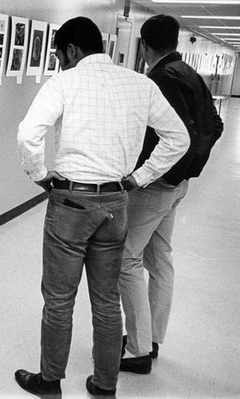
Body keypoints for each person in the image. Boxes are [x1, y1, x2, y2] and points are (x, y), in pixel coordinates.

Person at [14, 16, 190, 398]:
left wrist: (40, 174)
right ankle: (105, 385)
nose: (60, 63)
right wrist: (139, 177)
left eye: (60, 55)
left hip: (70, 203)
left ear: (72, 50)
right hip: (116, 202)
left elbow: (29, 133)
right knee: (107, 300)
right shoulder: (140, 84)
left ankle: (49, 382)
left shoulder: (64, 82)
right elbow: (178, 138)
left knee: (59, 299)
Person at [118, 14, 223, 374]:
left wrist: (154, 174)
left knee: (126, 260)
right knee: (159, 258)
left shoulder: (161, 78)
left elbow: (178, 137)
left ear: (144, 45)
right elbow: (215, 125)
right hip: (176, 186)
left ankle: (137, 350)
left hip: (156, 185)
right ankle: (150, 338)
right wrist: (189, 169)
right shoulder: (190, 74)